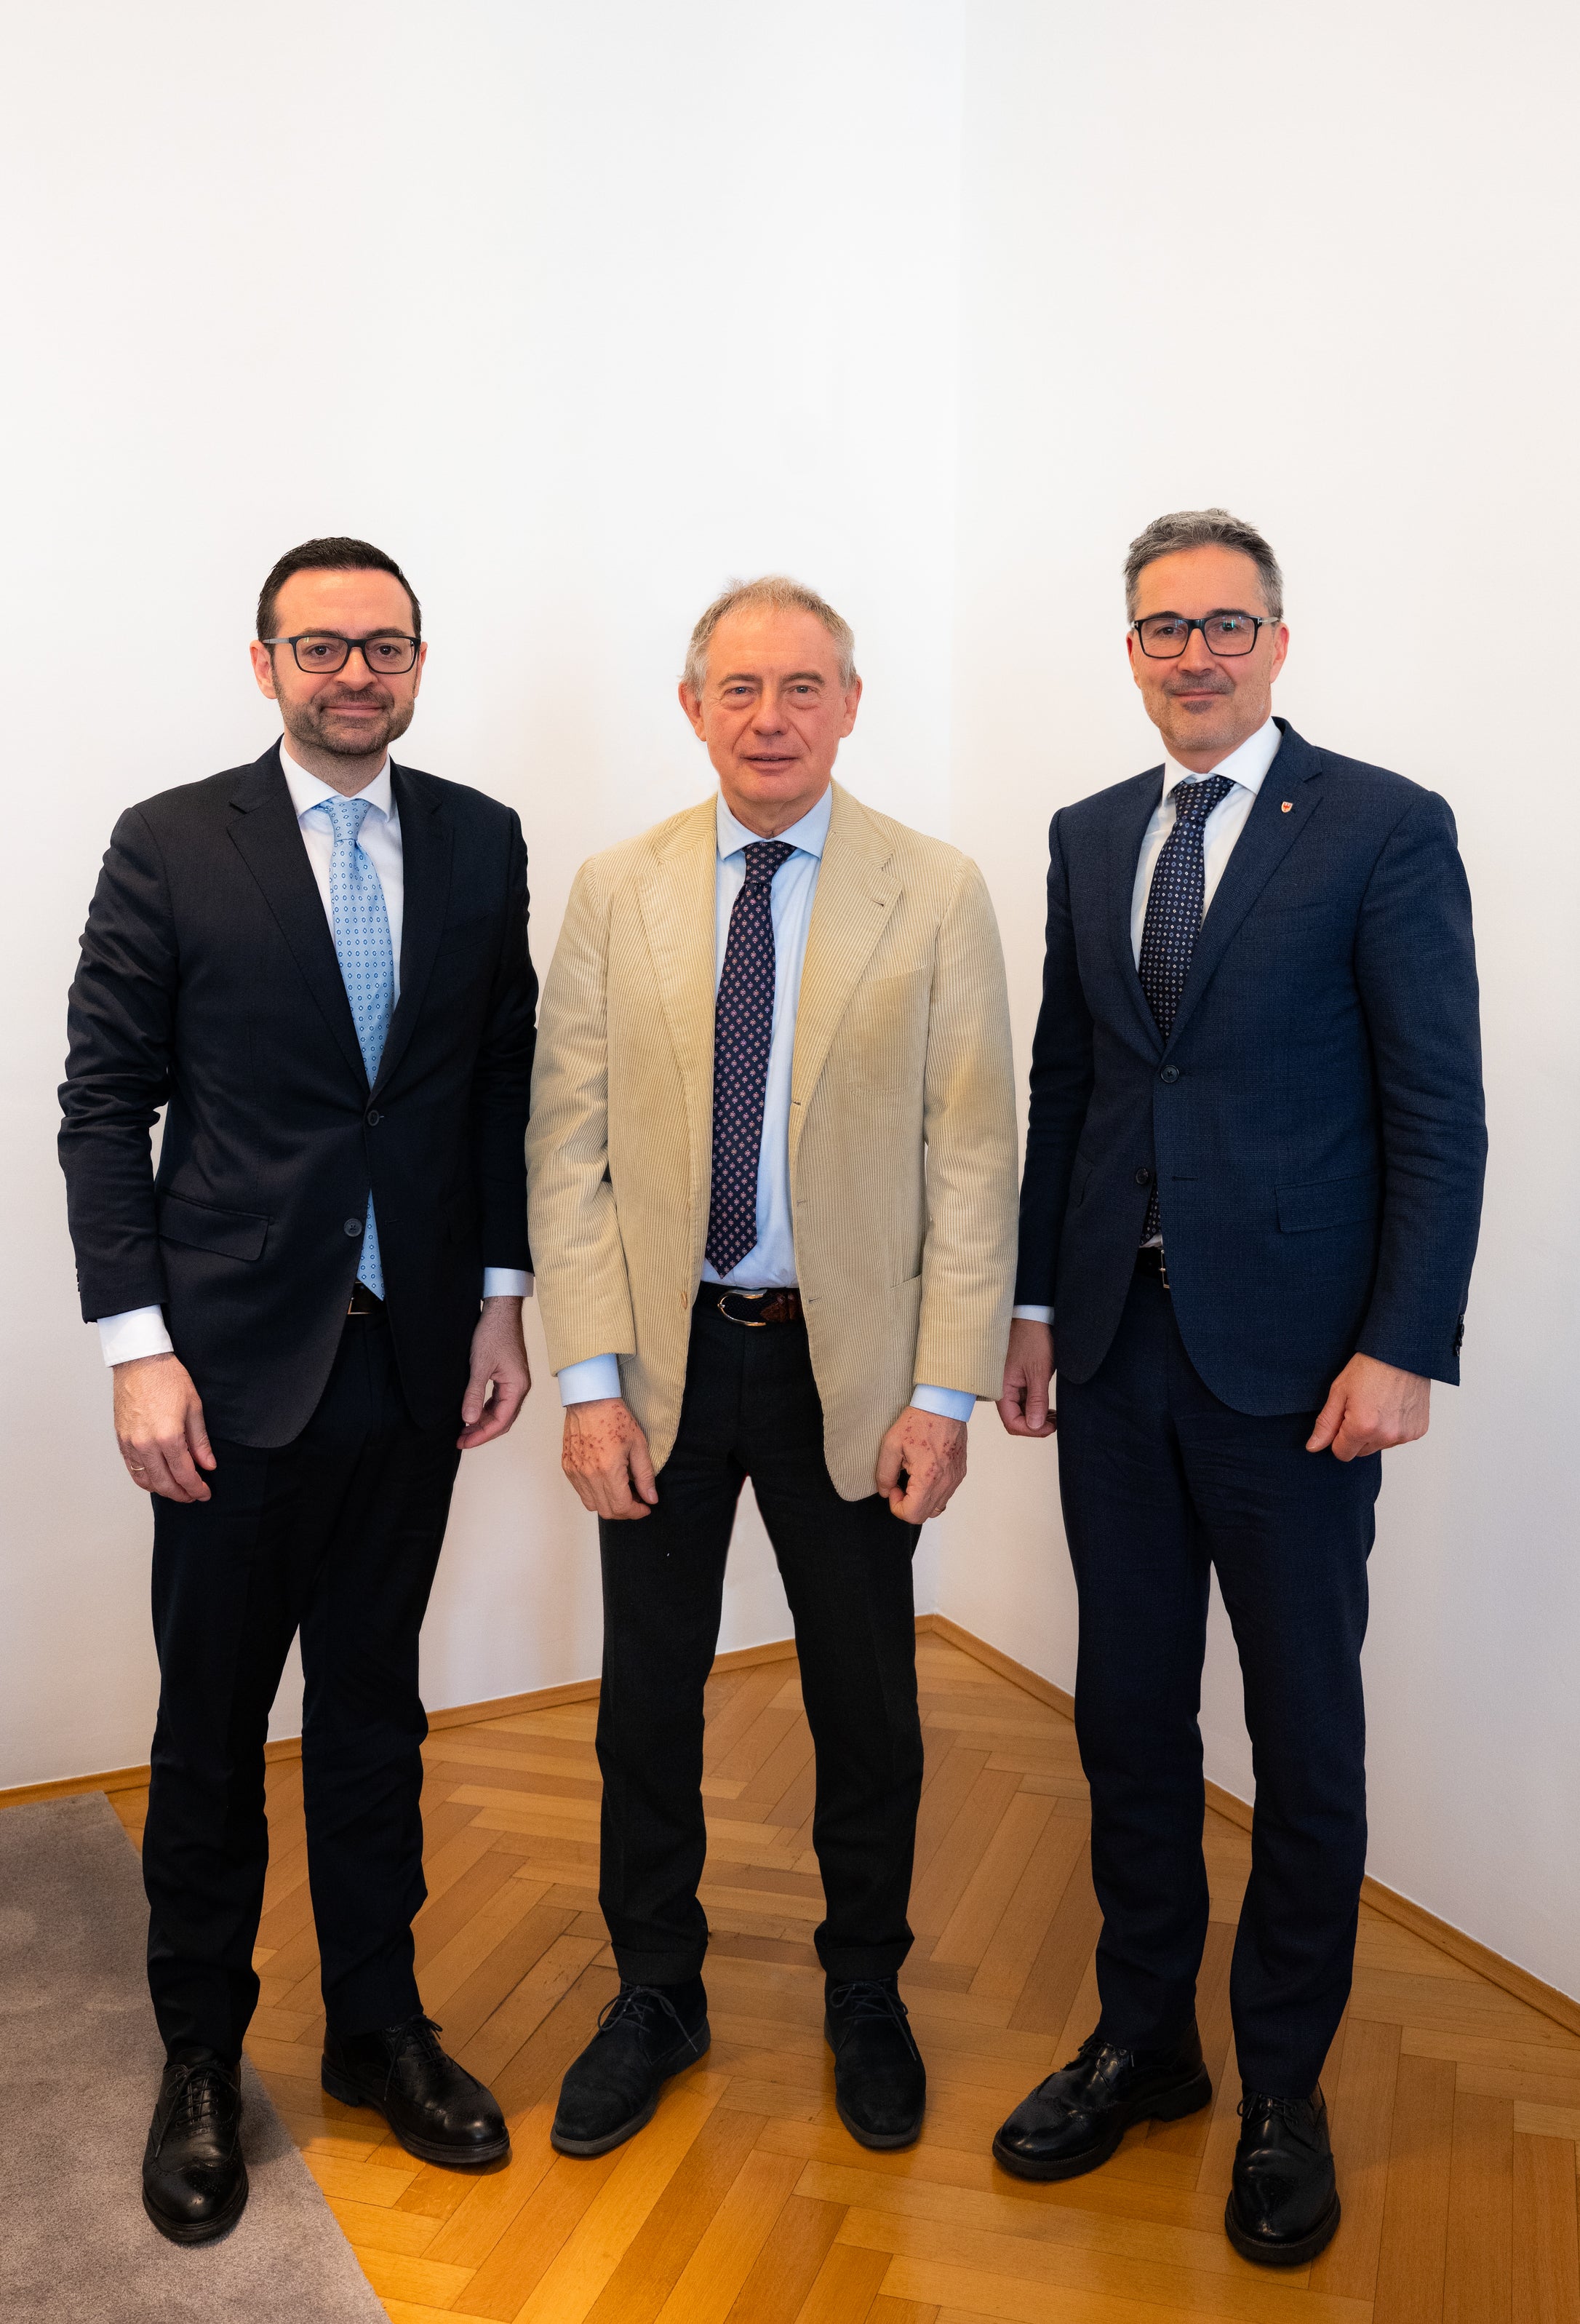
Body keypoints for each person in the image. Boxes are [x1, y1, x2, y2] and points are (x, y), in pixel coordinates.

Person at [993, 510, 1485, 2266]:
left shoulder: (1379, 825)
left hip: (1298, 1378)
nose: (1191, 654)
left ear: (1281, 639)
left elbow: (1440, 1106)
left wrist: (1404, 1341)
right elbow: (1074, 1084)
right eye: (1159, 628)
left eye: (1224, 623)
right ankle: (1149, 2043)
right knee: (1127, 1717)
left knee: (1304, 1740)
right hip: (1115, 1365)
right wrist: (1036, 1305)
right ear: (1126, 649)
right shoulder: (1088, 832)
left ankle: (1285, 2083)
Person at [58, 537, 538, 2245]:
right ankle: (200, 2055)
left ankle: (376, 2028)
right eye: (323, 646)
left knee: (375, 1718)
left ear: (419, 664)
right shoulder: (175, 843)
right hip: (225, 1377)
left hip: (411, 1369)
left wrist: (496, 1299)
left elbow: (495, 1086)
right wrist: (138, 1348)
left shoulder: (480, 840)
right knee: (207, 1734)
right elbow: (102, 1106)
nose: (358, 674)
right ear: (264, 662)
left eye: (386, 647)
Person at [526, 576, 1018, 2159]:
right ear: (693, 709)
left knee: (866, 1702)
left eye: (804, 686)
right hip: (666, 1364)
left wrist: (944, 1394)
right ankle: (657, 1989)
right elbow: (571, 1146)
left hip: (853, 1370)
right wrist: (588, 1377)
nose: (771, 717)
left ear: (852, 705)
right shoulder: (618, 888)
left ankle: (863, 1986)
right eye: (739, 688)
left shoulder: (935, 892)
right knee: (647, 1703)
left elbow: (970, 1158)